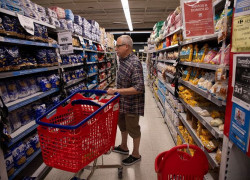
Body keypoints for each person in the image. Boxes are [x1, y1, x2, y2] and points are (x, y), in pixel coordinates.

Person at [107, 35, 145, 166]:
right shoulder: (122, 60)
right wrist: (112, 88)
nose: (115, 49)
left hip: (132, 104)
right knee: (122, 124)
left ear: (126, 46)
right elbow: (124, 81)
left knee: (133, 128)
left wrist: (117, 91)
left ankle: (136, 154)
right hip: (122, 101)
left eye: (118, 46)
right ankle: (124, 146)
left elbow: (139, 88)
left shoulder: (135, 63)